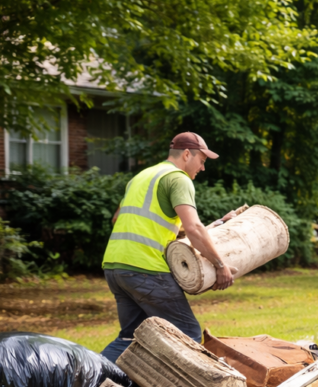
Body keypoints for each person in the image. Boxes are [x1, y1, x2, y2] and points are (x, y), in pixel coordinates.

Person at [100, 132, 237, 363]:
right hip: (146, 269)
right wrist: (220, 265)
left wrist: (215, 225)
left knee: (131, 339)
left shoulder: (142, 177)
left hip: (115, 267)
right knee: (188, 335)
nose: (202, 168)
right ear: (186, 154)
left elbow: (119, 220)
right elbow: (193, 229)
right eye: (202, 161)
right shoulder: (178, 178)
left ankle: (85, 379)